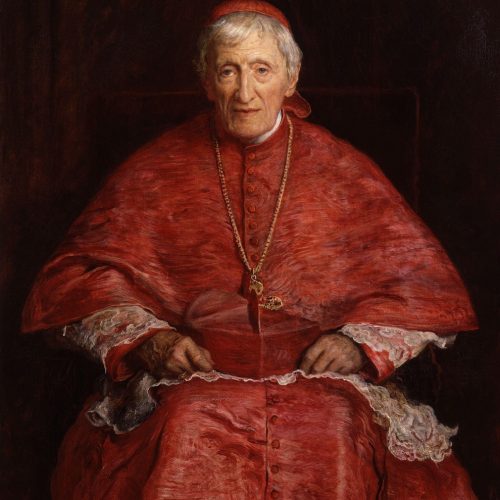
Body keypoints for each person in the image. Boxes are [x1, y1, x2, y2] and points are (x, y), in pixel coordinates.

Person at [22, 1, 478, 498]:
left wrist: (357, 345)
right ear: (206, 80)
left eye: (261, 70)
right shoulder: (154, 169)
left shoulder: (342, 169)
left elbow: (422, 284)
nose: (244, 93)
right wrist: (152, 342)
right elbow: (76, 277)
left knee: (333, 428)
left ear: (291, 77)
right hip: (193, 383)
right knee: (186, 428)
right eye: (228, 71)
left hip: (317, 382)